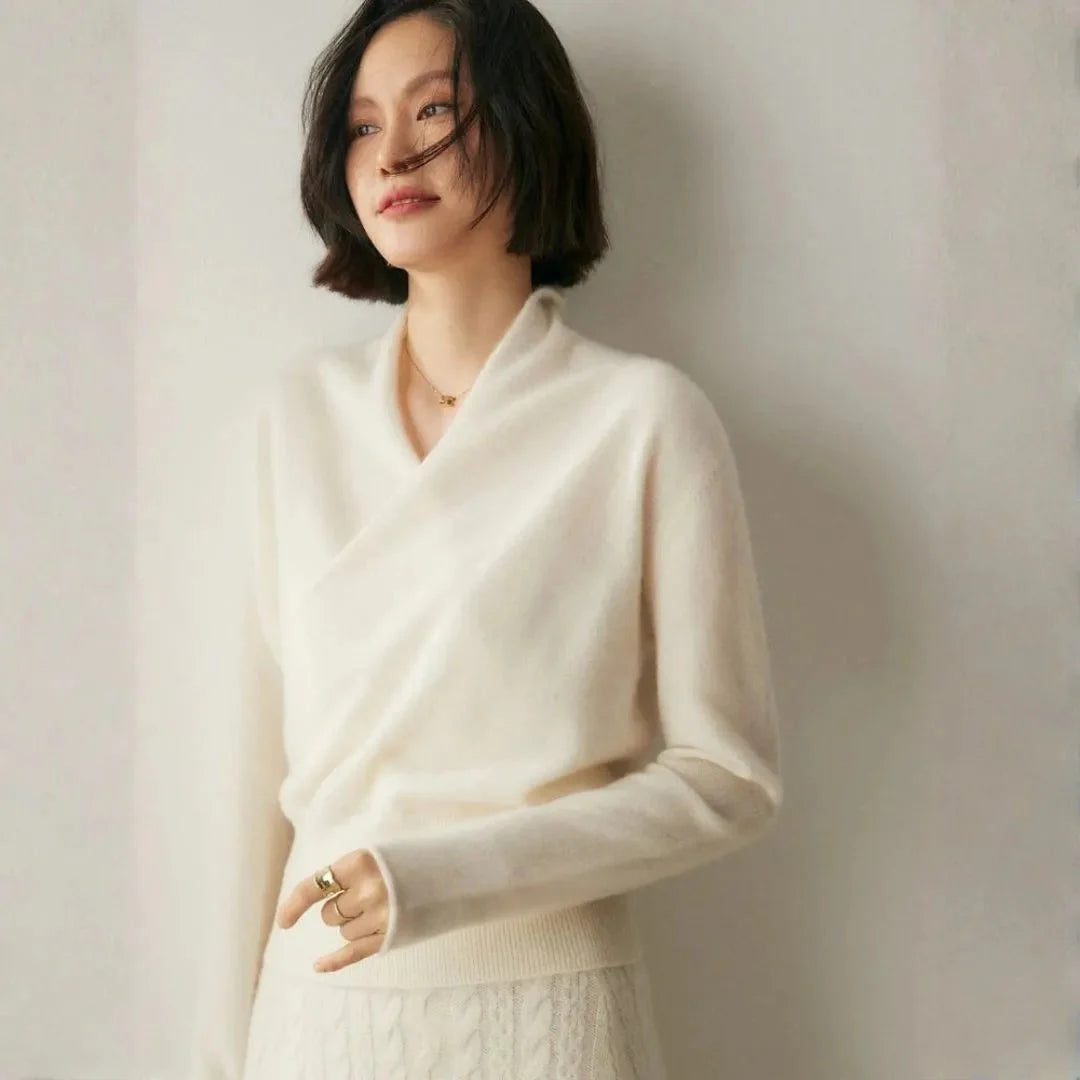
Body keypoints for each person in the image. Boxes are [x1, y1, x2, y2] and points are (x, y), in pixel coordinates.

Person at [187, 1, 784, 1077]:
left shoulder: (642, 420)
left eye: (435, 111)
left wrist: (442, 879)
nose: (393, 153)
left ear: (525, 123)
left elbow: (726, 777)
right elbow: (250, 795)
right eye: (362, 125)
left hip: (554, 1025)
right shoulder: (294, 424)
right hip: (317, 1027)